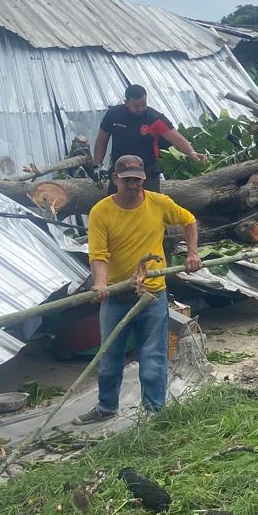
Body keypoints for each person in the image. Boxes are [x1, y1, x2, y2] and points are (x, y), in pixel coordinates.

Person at [72, 155, 202, 424]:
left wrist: (192, 253)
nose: (133, 185)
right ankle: (106, 407)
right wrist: (100, 283)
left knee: (153, 357)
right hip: (117, 295)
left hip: (152, 295)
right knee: (109, 357)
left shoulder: (158, 203)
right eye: (128, 180)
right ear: (115, 179)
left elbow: (189, 220)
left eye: (138, 180)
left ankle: (154, 414)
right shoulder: (101, 211)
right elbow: (98, 254)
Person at [93, 84, 206, 192]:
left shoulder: (155, 118)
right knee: (116, 203)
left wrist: (191, 153)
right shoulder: (113, 115)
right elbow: (101, 141)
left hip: (147, 172)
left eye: (143, 104)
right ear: (126, 103)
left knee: (151, 203)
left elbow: (177, 139)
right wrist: (97, 167)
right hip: (120, 171)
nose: (140, 108)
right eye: (136, 106)